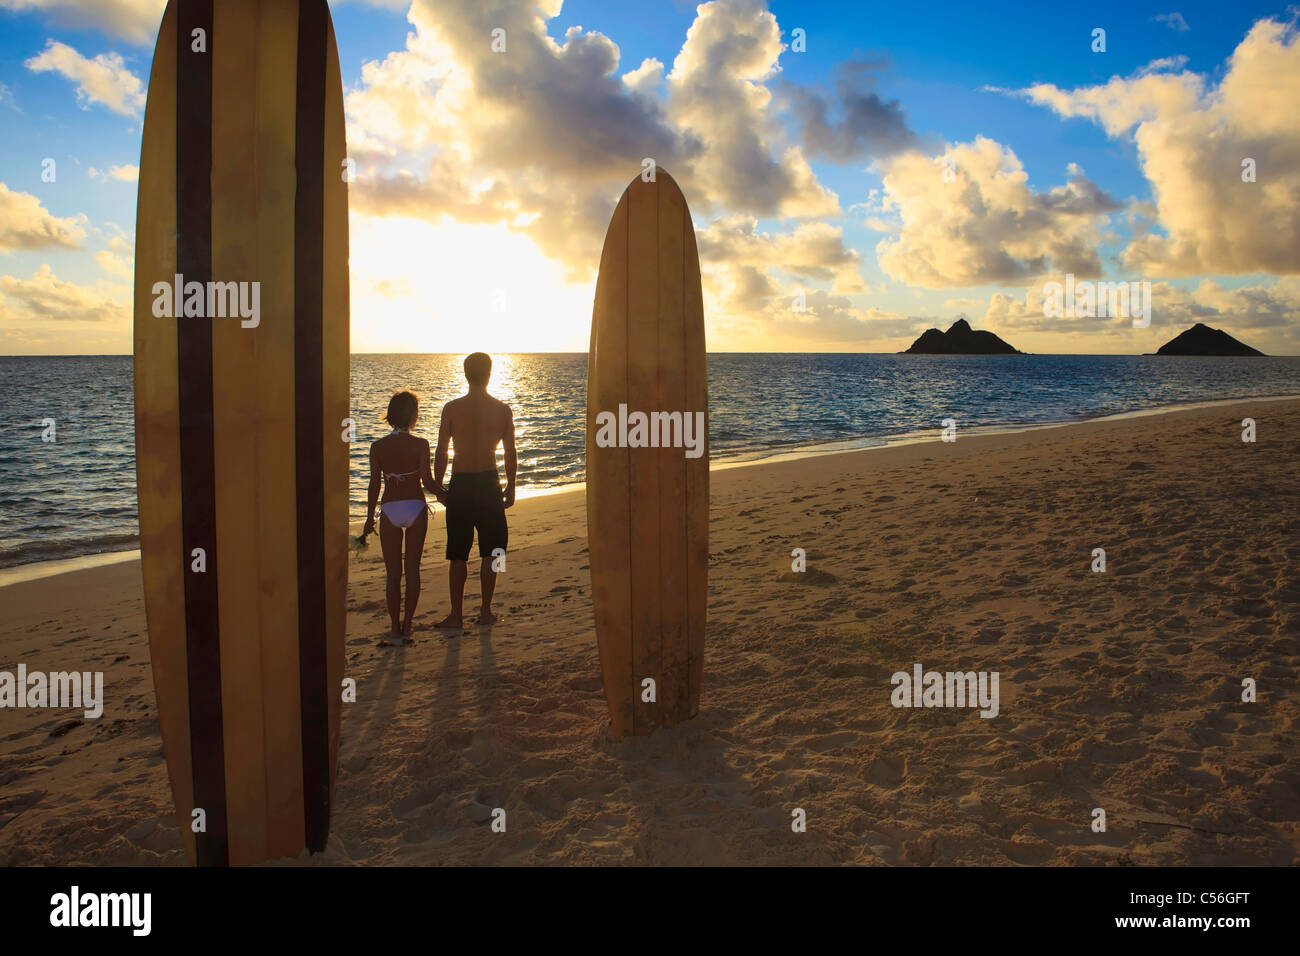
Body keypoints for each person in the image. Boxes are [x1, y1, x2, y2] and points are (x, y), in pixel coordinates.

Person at [431, 353, 517, 629]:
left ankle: (456, 614)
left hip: (462, 483)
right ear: (489, 373)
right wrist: (511, 485)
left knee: (458, 553)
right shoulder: (502, 409)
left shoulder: (452, 408)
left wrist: (438, 485)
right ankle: (485, 610)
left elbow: (442, 450)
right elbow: (510, 452)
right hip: (488, 483)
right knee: (493, 551)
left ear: (465, 374)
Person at [363, 390, 437, 638]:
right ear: (413, 415)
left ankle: (394, 625)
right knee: (413, 571)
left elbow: (374, 484)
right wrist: (447, 495)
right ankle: (408, 624)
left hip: (390, 509)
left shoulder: (378, 447)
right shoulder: (420, 444)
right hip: (415, 507)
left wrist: (368, 517)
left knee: (393, 574)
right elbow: (427, 480)